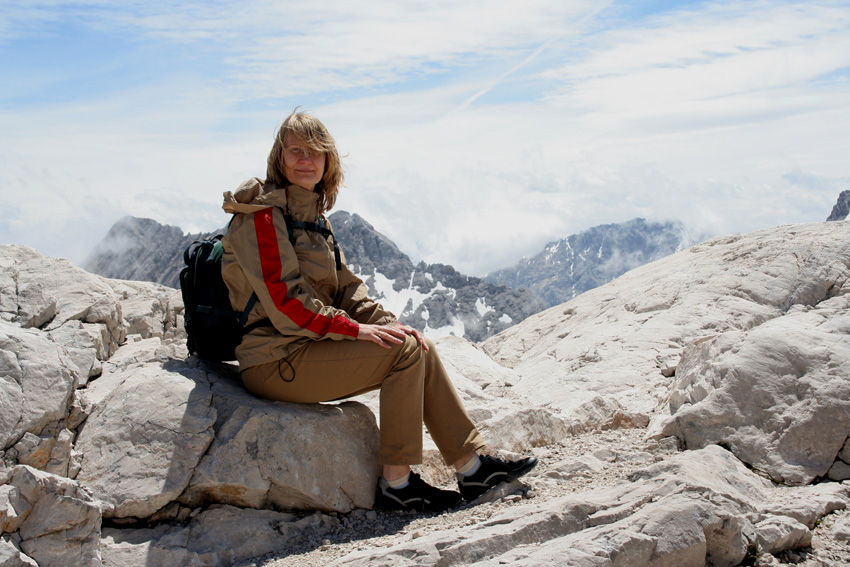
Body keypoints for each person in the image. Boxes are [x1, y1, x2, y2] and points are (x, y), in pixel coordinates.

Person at [220, 109, 536, 512]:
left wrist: (388, 325)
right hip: (273, 360)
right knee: (401, 353)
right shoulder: (262, 216)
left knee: (414, 344)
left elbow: (348, 291)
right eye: (295, 150)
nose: (305, 159)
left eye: (315, 151)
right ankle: (398, 485)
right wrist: (355, 332)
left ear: (328, 161)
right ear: (278, 159)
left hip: (304, 351)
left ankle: (472, 469)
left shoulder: (312, 218)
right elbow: (287, 305)